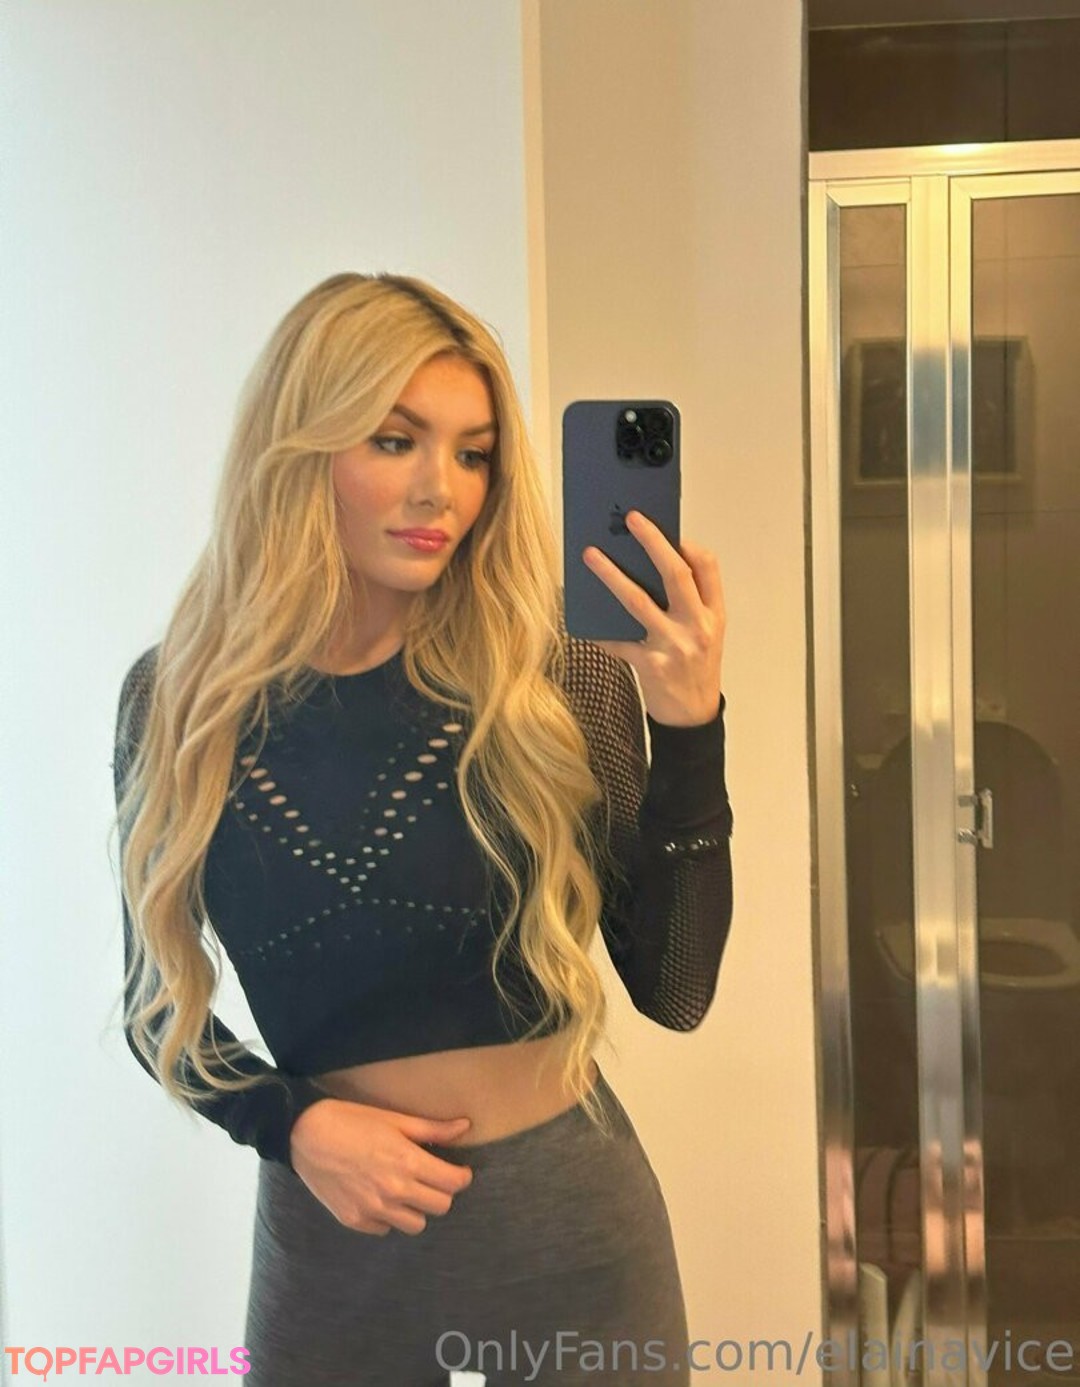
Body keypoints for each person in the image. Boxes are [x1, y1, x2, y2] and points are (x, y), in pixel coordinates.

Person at [113, 271, 734, 1386]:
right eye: (395, 440)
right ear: (300, 449)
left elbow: (677, 988)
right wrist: (292, 1125)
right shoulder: (178, 702)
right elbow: (154, 1006)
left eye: (474, 452)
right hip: (334, 1237)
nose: (440, 488)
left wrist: (689, 730)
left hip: (570, 1231)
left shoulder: (558, 678)